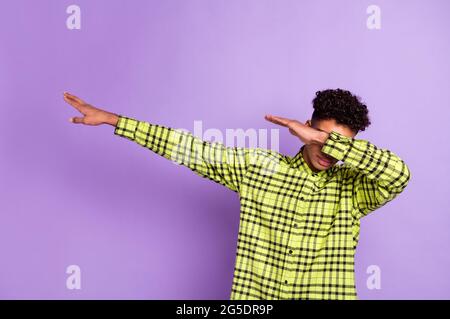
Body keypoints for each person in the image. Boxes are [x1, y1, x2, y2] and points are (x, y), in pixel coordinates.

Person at [63, 88, 411, 300]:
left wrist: (324, 140)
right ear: (306, 127)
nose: (328, 151)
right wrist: (114, 120)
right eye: (317, 135)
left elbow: (399, 175)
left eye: (339, 144)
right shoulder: (258, 167)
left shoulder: (354, 188)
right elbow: (191, 148)